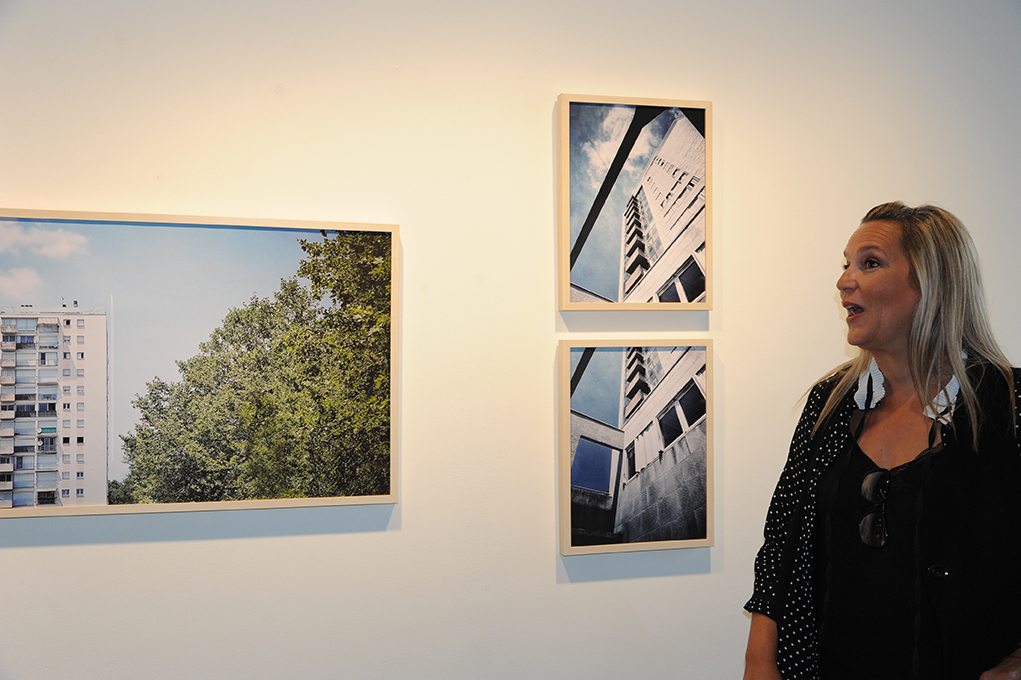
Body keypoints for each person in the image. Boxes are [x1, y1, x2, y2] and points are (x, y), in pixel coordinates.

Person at [743, 202, 1021, 680]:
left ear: (931, 283)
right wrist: (759, 663)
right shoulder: (830, 403)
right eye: (846, 264)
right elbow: (782, 543)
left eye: (869, 263)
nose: (844, 281)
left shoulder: (1010, 402)